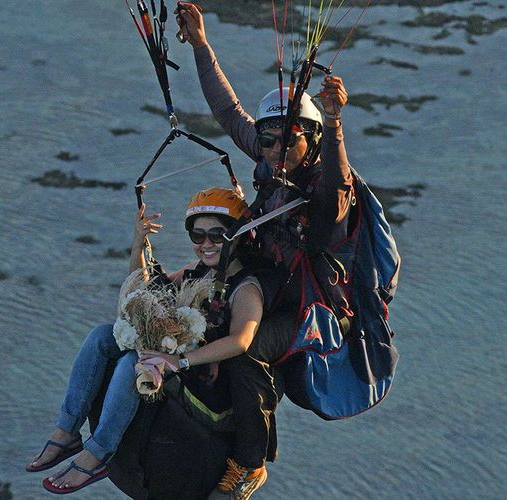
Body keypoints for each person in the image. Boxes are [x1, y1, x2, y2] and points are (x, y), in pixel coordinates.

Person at [175, 3, 354, 499]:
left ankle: (250, 464)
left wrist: (336, 122)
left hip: (308, 308)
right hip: (263, 285)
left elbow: (337, 197)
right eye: (268, 139)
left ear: (312, 141)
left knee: (246, 348)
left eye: (288, 139)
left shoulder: (324, 186)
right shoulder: (268, 161)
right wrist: (202, 45)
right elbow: (229, 112)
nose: (274, 148)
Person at [27, 187, 266, 495]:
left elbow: (241, 340)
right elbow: (146, 290)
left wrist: (178, 361)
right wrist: (139, 245)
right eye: (197, 236)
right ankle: (67, 430)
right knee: (101, 335)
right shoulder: (199, 272)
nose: (206, 244)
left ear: (238, 235)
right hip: (174, 360)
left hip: (203, 379)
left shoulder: (245, 288)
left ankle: (99, 452)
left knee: (133, 362)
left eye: (217, 235)